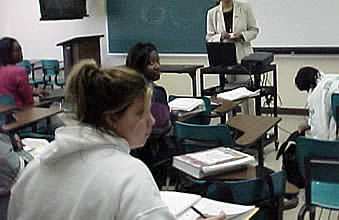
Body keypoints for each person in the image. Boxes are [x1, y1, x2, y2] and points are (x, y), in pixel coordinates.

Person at [8, 60, 225, 220]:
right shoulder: (129, 174)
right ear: (111, 118)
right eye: (140, 113)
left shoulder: (33, 170)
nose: (151, 121)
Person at [126, 42, 177, 185]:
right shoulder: (156, 93)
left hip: (132, 153)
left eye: (158, 61)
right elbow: (163, 128)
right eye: (151, 63)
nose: (157, 66)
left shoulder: (125, 88)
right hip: (155, 153)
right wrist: (172, 117)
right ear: (139, 66)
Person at [206, 0, 259, 114]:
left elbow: (254, 30)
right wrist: (220, 37)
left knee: (246, 91)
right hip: (224, 57)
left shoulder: (244, 8)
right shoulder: (212, 13)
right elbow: (209, 37)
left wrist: (241, 35)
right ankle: (231, 124)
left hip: (243, 55)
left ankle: (250, 122)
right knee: (228, 92)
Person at [294, 66, 339, 140]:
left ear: (310, 86)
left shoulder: (317, 93)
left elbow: (321, 130)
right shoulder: (334, 77)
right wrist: (310, 124)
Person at [0, 37, 47, 108]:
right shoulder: (19, 71)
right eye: (17, 51)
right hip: (20, 115)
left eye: (20, 49)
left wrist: (32, 92)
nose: (21, 53)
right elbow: (29, 101)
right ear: (7, 54)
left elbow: (7, 93)